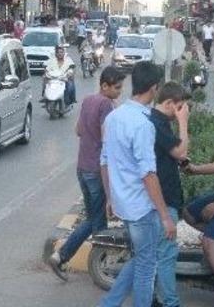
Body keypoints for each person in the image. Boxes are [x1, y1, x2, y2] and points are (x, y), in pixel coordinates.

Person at [99, 62, 175, 307]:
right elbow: (148, 174)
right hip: (141, 207)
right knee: (146, 267)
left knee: (142, 257)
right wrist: (165, 216)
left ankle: (109, 303)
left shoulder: (114, 117)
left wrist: (110, 197)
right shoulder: (143, 125)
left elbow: (105, 161)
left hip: (124, 203)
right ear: (154, 88)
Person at [47, 67, 126, 281]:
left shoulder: (89, 100)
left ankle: (60, 256)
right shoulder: (106, 105)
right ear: (105, 86)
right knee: (99, 224)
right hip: (96, 169)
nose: (120, 91)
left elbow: (79, 131)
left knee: (93, 219)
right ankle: (102, 271)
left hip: (82, 168)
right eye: (117, 87)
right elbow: (107, 140)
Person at [147, 82, 191, 307]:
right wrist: (183, 123)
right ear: (169, 103)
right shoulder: (158, 123)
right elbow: (181, 151)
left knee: (157, 254)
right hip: (164, 200)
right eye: (180, 107)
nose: (183, 111)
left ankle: (155, 297)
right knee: (166, 254)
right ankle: (170, 303)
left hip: (161, 199)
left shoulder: (159, 122)